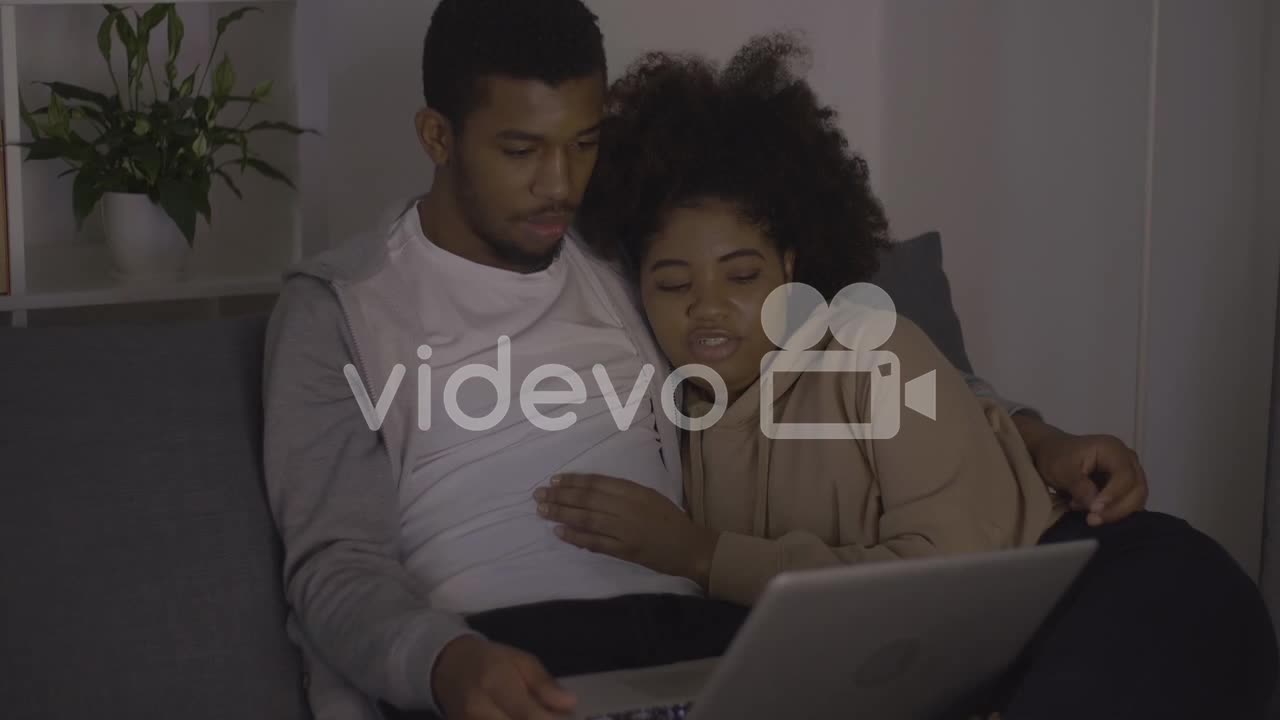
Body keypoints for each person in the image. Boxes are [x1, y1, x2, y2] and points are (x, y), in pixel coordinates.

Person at [264, 2, 1156, 718]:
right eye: (522, 150)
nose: (560, 186)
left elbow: (830, 339)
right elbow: (333, 564)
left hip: (714, 633)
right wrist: (447, 662)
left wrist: (1036, 435)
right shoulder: (339, 307)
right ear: (436, 136)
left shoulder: (621, 257)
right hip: (507, 650)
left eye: (583, 143)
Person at [536, 33, 1280, 720]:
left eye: (741, 274)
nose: (708, 308)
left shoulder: (873, 348)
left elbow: (947, 587)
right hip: (973, 663)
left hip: (1108, 583)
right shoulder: (677, 425)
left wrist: (697, 552)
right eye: (673, 284)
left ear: (792, 267)